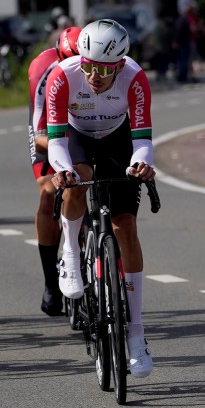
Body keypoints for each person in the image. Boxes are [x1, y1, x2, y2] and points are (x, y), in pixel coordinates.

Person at [46, 19, 156, 378]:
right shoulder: (63, 76)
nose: (94, 75)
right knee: (77, 183)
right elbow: (57, 142)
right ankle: (72, 257)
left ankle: (137, 334)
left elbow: (142, 141)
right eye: (89, 65)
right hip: (77, 137)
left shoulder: (135, 79)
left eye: (104, 69)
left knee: (125, 226)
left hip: (117, 138)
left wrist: (141, 164)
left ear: (120, 64)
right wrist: (64, 172)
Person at [27, 26, 81, 316]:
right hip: (49, 131)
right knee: (49, 193)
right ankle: (51, 282)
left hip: (87, 126)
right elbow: (39, 132)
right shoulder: (41, 69)